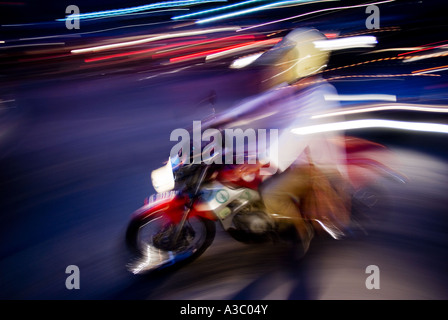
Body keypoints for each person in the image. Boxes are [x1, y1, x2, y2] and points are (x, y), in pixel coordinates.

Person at [209, 28, 352, 256]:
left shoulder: (321, 95)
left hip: (315, 167)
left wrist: (262, 160)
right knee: (234, 168)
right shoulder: (293, 88)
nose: (282, 62)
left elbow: (297, 133)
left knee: (272, 195)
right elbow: (258, 104)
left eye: (288, 57)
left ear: (304, 61)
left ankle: (298, 232)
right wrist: (222, 120)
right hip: (291, 156)